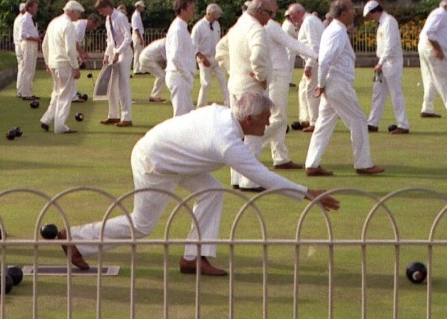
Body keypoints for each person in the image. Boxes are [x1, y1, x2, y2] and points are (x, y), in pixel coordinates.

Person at [57, 92, 340, 275]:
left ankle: (194, 257)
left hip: (175, 157)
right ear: (250, 118)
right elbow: (260, 175)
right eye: (265, 121)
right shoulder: (226, 142)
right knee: (142, 225)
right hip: (154, 161)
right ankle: (75, 240)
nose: (266, 126)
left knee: (212, 192)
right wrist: (307, 194)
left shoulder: (223, 113)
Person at [304, 0, 385, 177]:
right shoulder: (337, 32)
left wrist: (322, 84)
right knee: (358, 121)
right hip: (338, 83)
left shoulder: (334, 30)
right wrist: (321, 84)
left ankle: (312, 163)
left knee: (323, 125)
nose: (354, 13)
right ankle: (363, 164)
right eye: (351, 10)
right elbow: (325, 60)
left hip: (333, 84)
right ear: (342, 14)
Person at [215, 0, 274, 191]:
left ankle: (237, 178)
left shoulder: (238, 24)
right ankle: (249, 181)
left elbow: (220, 49)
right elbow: (257, 56)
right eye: (270, 13)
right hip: (250, 87)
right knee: (253, 135)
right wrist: (261, 76)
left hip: (236, 85)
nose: (271, 18)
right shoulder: (256, 29)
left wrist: (233, 70)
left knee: (237, 133)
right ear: (260, 11)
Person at [260, 4, 316, 175]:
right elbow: (292, 43)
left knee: (278, 118)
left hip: (275, 75)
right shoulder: (271, 26)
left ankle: (280, 158)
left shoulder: (264, 26)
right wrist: (317, 56)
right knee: (279, 118)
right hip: (278, 75)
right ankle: (249, 144)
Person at [363, 0, 410, 134]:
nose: (370, 18)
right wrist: (381, 62)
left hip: (392, 62)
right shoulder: (382, 23)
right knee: (377, 93)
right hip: (384, 62)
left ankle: (403, 124)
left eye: (370, 15)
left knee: (396, 93)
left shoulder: (389, 21)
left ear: (375, 11)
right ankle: (373, 122)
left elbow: (390, 44)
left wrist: (381, 62)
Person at [40, 0, 83, 133]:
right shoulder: (68, 25)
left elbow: (44, 45)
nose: (79, 16)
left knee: (57, 93)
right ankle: (60, 126)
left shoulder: (54, 22)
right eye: (78, 13)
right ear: (72, 11)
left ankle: (46, 119)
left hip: (53, 63)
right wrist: (75, 67)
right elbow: (70, 50)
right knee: (65, 95)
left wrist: (47, 62)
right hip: (64, 64)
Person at [96, 0, 133, 127]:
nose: (101, 13)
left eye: (101, 10)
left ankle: (127, 117)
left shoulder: (120, 17)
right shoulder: (108, 19)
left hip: (125, 53)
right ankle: (113, 115)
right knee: (111, 84)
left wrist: (118, 52)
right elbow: (110, 39)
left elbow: (128, 38)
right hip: (114, 52)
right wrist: (107, 54)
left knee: (123, 84)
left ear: (107, 6)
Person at [165, 0, 199, 117]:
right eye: (191, 9)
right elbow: (175, 56)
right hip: (178, 76)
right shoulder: (178, 29)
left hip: (181, 76)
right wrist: (186, 75)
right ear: (182, 10)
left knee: (187, 116)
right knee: (180, 116)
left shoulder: (182, 27)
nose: (193, 11)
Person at [191, 4, 229, 107]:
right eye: (217, 15)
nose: (218, 17)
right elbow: (193, 44)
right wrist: (201, 57)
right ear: (210, 14)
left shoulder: (217, 24)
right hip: (204, 57)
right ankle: (201, 106)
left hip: (216, 57)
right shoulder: (198, 26)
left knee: (223, 81)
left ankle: (229, 104)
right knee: (205, 83)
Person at [296, 10, 325, 132]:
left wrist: (309, 64)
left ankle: (314, 122)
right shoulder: (311, 20)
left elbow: (314, 45)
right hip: (314, 60)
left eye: (292, 16)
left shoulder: (308, 22)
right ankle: (306, 119)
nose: (292, 20)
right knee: (303, 89)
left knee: (310, 90)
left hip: (314, 61)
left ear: (299, 12)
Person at [14, 0, 41, 101]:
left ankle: (27, 91)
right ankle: (26, 93)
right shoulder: (25, 19)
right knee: (27, 69)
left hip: (31, 44)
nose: (36, 9)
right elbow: (23, 34)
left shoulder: (29, 19)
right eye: (35, 7)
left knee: (30, 69)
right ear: (29, 8)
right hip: (28, 45)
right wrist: (36, 38)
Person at [137, 37, 167, 102]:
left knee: (162, 75)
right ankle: (154, 96)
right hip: (147, 59)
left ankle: (155, 96)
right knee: (162, 76)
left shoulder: (165, 42)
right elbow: (167, 60)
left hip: (149, 58)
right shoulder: (164, 44)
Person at [131, 0, 146, 74]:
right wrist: (140, 38)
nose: (143, 8)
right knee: (137, 52)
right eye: (142, 6)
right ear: (138, 7)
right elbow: (136, 28)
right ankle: (136, 69)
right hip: (137, 35)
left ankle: (140, 68)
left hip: (138, 35)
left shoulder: (138, 15)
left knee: (140, 52)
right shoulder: (136, 16)